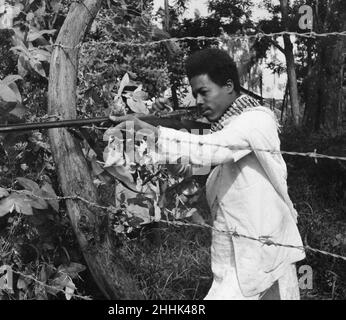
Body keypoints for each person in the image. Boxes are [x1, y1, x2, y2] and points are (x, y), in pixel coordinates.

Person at [107, 48, 306, 300]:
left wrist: (154, 132)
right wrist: (175, 162)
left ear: (229, 86)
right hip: (240, 256)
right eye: (195, 94)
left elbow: (216, 149)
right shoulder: (225, 128)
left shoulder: (256, 120)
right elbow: (198, 162)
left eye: (204, 92)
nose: (198, 101)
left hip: (264, 251)